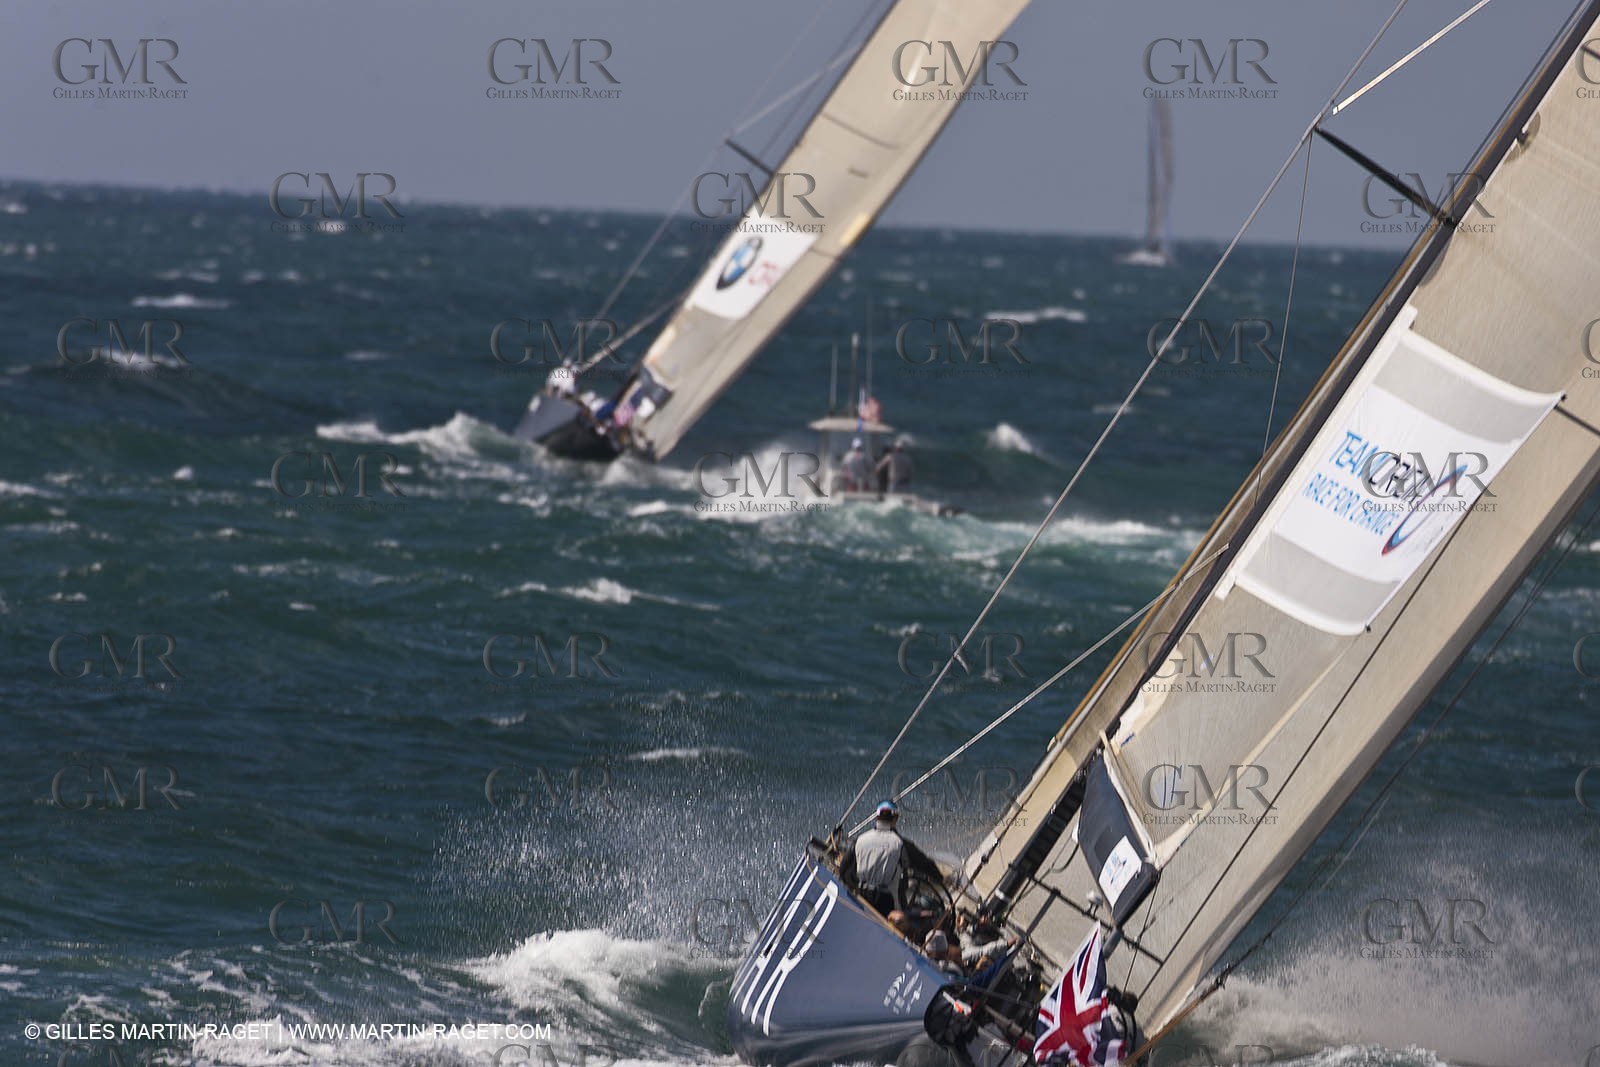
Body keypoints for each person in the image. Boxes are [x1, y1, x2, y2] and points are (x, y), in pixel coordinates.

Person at [839, 800, 942, 916]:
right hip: (887, 904)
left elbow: (843, 871)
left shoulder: (859, 840)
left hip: (861, 899)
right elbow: (926, 865)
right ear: (896, 818)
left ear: (876, 817)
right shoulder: (901, 844)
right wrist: (940, 879)